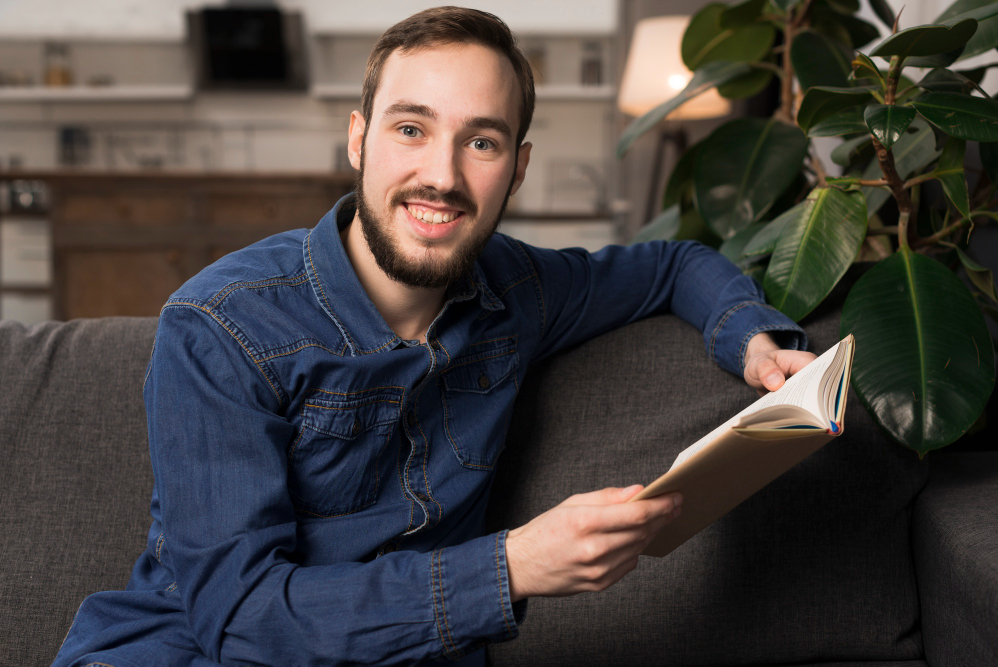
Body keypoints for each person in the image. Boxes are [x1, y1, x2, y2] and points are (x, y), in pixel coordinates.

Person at [54, 7, 815, 666]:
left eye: (480, 143)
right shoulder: (219, 325)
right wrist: (513, 565)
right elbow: (245, 622)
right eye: (411, 128)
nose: (441, 176)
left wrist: (752, 341)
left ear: (515, 171)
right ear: (359, 140)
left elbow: (674, 263)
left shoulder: (520, 288)